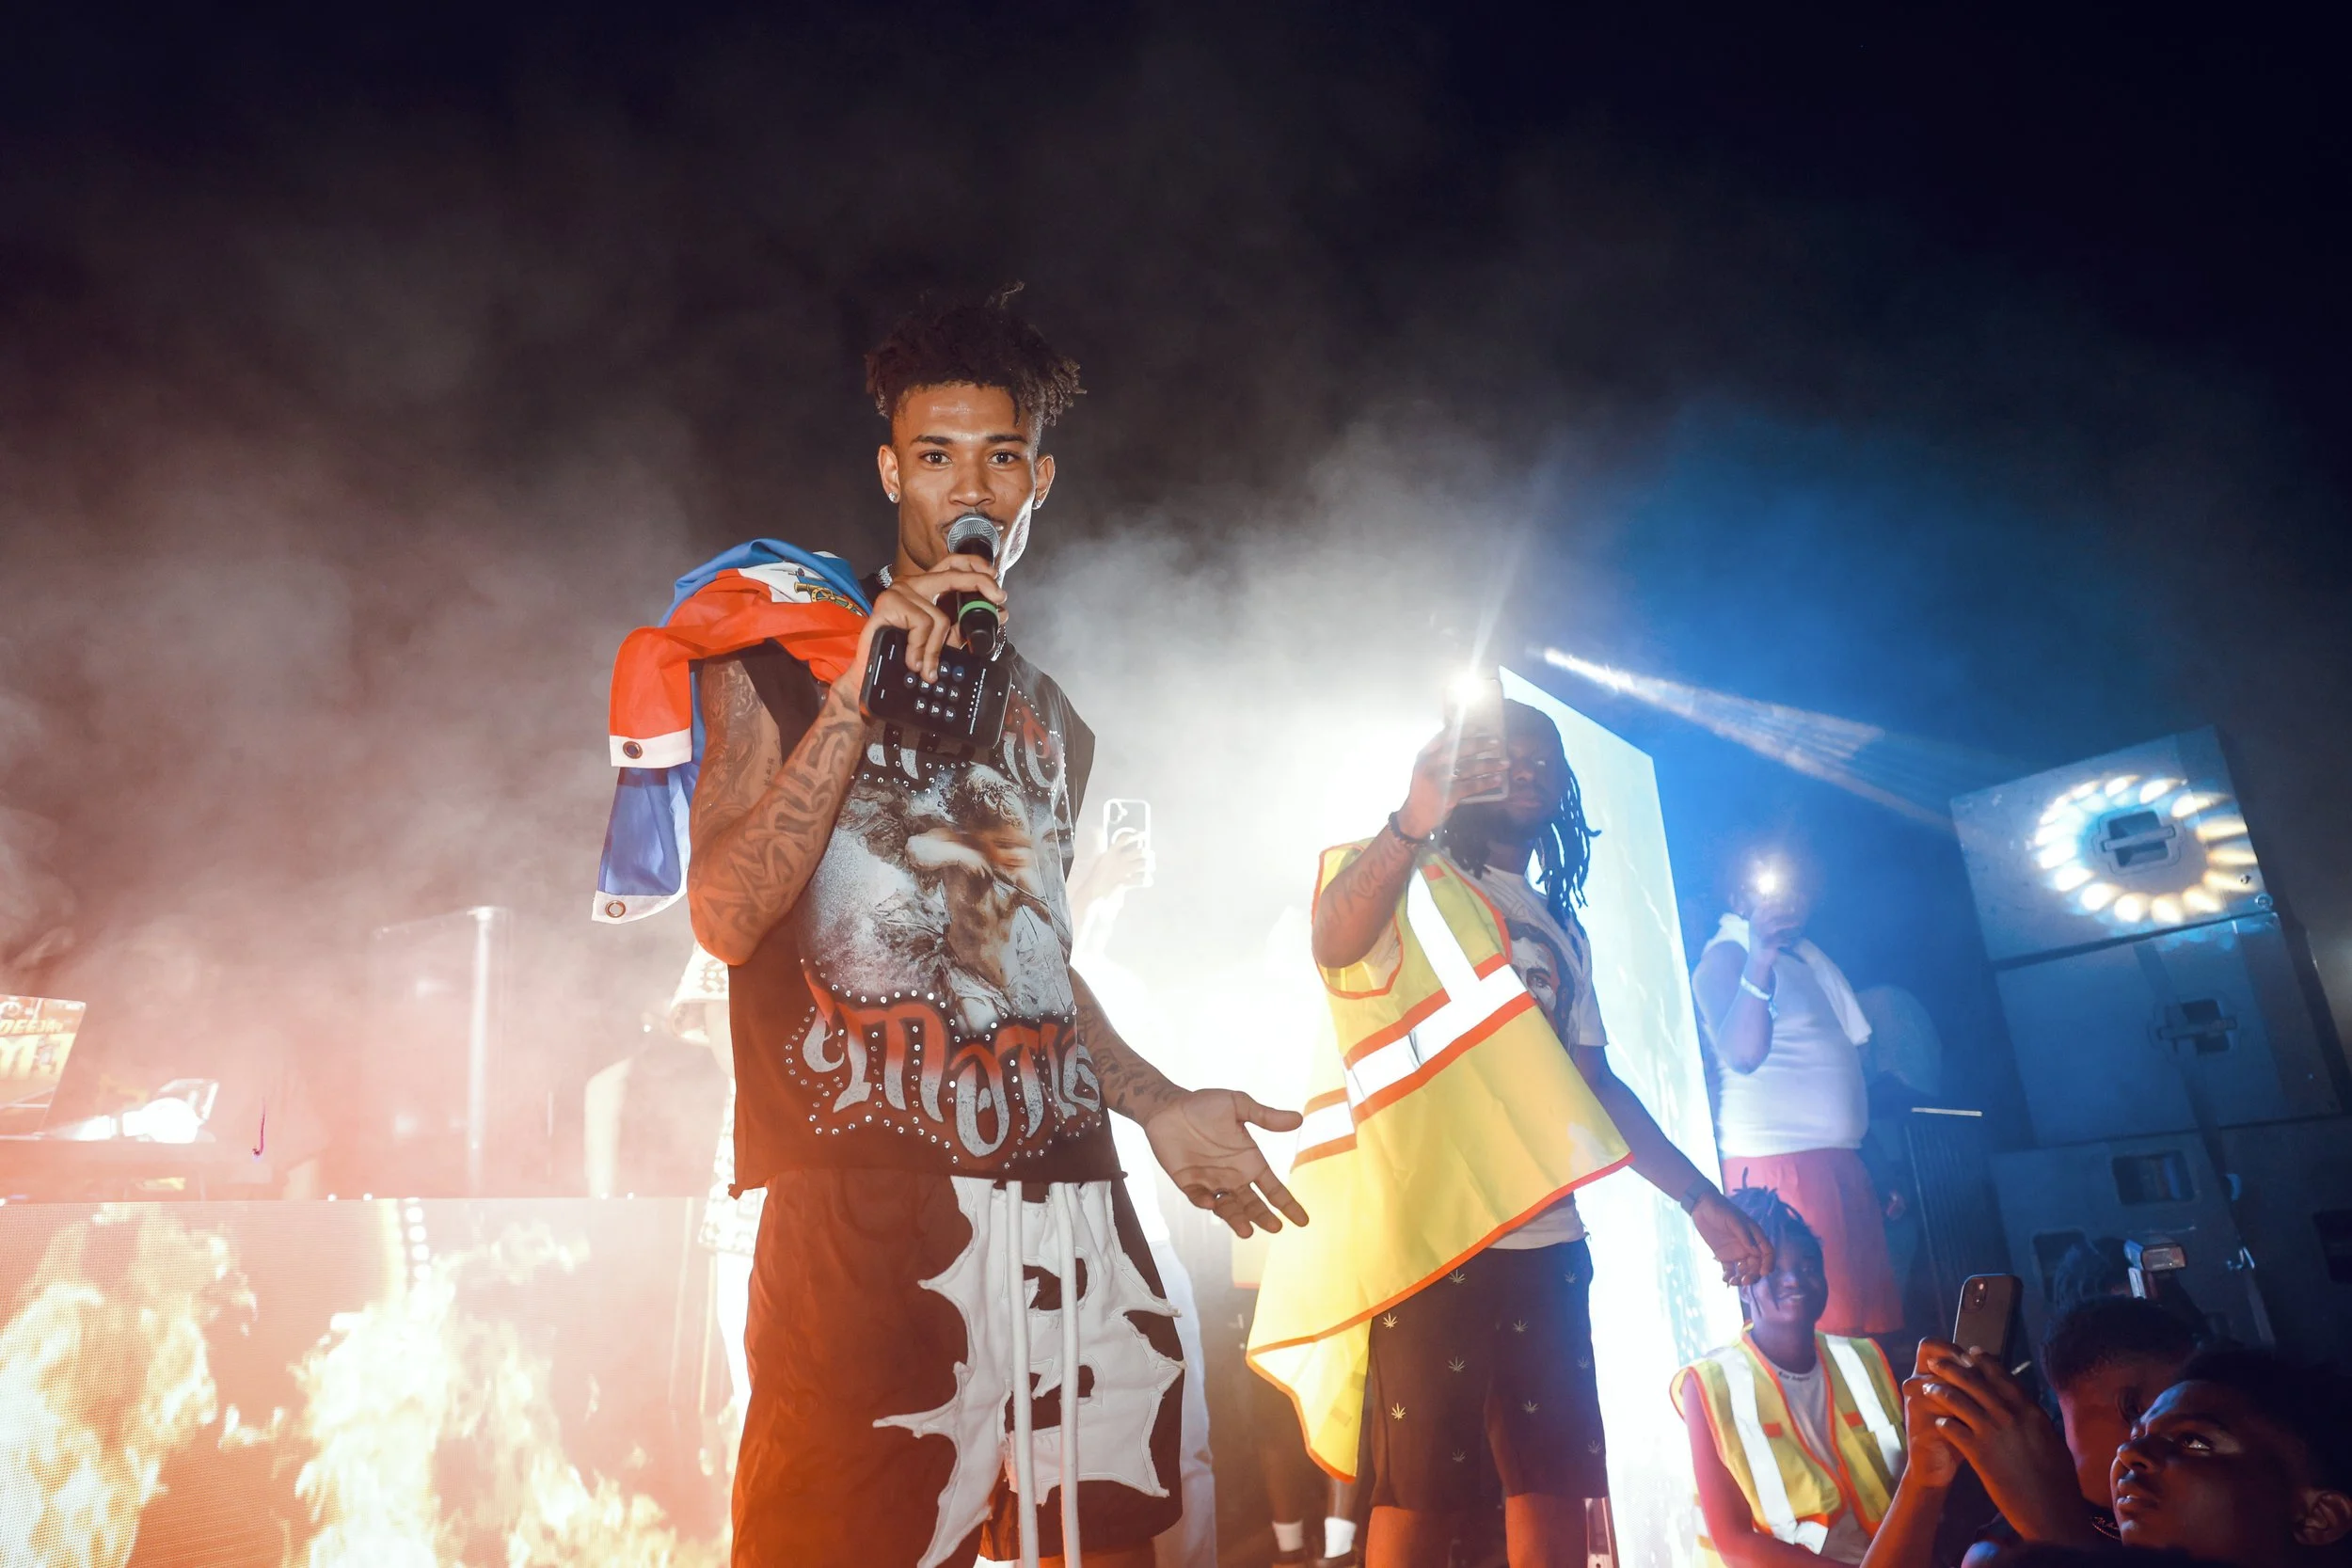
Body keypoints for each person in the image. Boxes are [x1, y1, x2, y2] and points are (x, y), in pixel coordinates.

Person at [684, 291, 1307, 1568]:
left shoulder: (1053, 720)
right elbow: (727, 911)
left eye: (1000, 455)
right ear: (888, 471)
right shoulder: (783, 660)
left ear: (1040, 479)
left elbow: (1026, 966)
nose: (969, 487)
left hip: (1065, 1198)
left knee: (1111, 1543)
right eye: (935, 455)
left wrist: (1156, 1099)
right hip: (868, 1208)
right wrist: (855, 695)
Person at [1288, 698, 1772, 1568]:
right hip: (1434, 1241)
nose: (1526, 768)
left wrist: (1700, 1199)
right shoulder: (1418, 884)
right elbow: (1333, 942)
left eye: (1543, 757)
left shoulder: (1558, 924)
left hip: (1547, 1240)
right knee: (1420, 1497)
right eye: (1503, 755)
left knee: (1552, 1490)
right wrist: (1408, 821)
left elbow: (1593, 1087)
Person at [1692, 850, 1902, 1340]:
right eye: (1770, 889)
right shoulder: (1724, 958)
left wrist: (1875, 1163)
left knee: (1865, 1340)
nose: (1790, 900)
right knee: (1819, 1339)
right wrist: (1760, 955)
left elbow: (1842, 1069)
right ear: (1737, 897)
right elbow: (1743, 1055)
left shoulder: (1806, 959)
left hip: (1838, 1166)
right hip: (1781, 1173)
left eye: (1797, 890)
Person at [1858, 1300, 2200, 1568]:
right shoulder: (2003, 1555)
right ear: (2131, 1408)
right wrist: (1922, 1481)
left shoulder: (2189, 1526)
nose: (2180, 1452)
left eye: (2197, 1441)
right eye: (2188, 1434)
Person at [1674, 1187, 1906, 1568]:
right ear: (1744, 1288)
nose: (1795, 1280)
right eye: (1774, 1269)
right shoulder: (1709, 1384)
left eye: (1809, 1266)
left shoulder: (1864, 1358)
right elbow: (1734, 1545)